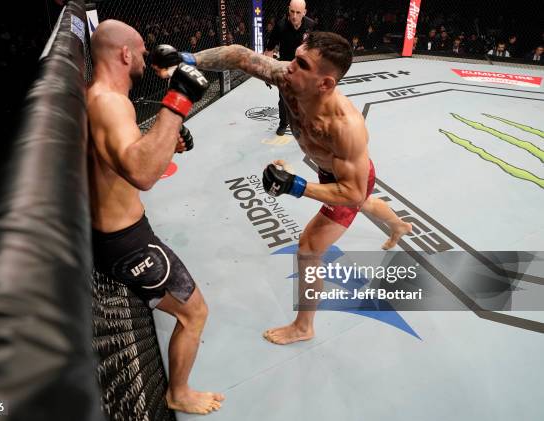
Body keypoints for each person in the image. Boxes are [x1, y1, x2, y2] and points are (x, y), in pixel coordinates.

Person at [182, 31, 412, 345]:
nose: (290, 66)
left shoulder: (345, 128)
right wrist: (188, 58)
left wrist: (297, 186)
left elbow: (352, 194)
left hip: (349, 182)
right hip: (333, 170)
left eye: (302, 63)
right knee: (367, 205)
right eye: (296, 56)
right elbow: (239, 56)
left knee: (309, 248)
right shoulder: (288, 79)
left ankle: (304, 326)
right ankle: (398, 225)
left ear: (326, 83)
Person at [87, 20, 224, 414]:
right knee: (195, 313)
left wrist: (167, 141)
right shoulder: (110, 103)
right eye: (143, 50)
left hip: (121, 233)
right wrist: (179, 100)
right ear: (125, 54)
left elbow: (121, 162)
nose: (147, 57)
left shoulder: (100, 98)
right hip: (127, 243)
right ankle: (177, 392)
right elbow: (143, 172)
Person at [264, 0, 315, 136]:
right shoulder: (280, 26)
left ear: (304, 12)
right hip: (285, 66)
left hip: (303, 67)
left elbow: (316, 48)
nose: (294, 16)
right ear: (288, 10)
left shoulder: (311, 25)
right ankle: (283, 123)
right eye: (292, 11)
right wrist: (267, 72)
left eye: (298, 12)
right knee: (284, 97)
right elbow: (269, 50)